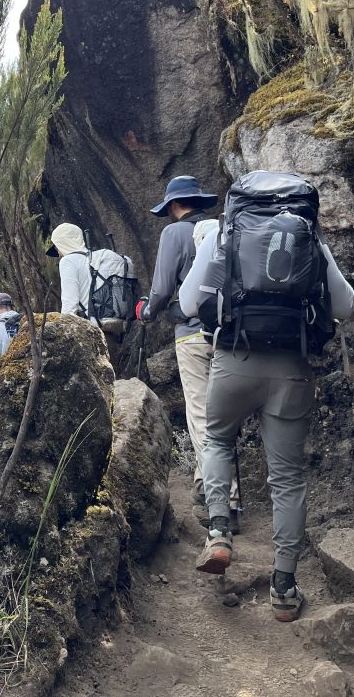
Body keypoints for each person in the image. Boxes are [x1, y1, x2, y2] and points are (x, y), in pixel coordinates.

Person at [178, 171, 354, 623]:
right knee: (288, 479)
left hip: (233, 359)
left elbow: (186, 303)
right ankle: (284, 587)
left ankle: (219, 532)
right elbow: (345, 306)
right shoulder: (308, 237)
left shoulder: (226, 232)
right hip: (291, 368)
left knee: (217, 440)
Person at [134, 175, 237, 513]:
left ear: (175, 205)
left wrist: (147, 311)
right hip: (228, 334)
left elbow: (163, 289)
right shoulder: (223, 228)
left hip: (191, 335)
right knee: (223, 414)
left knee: (201, 416)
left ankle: (225, 499)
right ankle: (204, 482)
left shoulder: (174, 233)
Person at [47, 222, 92, 316]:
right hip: (108, 318)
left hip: (88, 322)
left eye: (57, 247)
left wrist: (64, 325)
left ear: (63, 243)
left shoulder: (68, 261)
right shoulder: (93, 258)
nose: (58, 253)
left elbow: (70, 302)